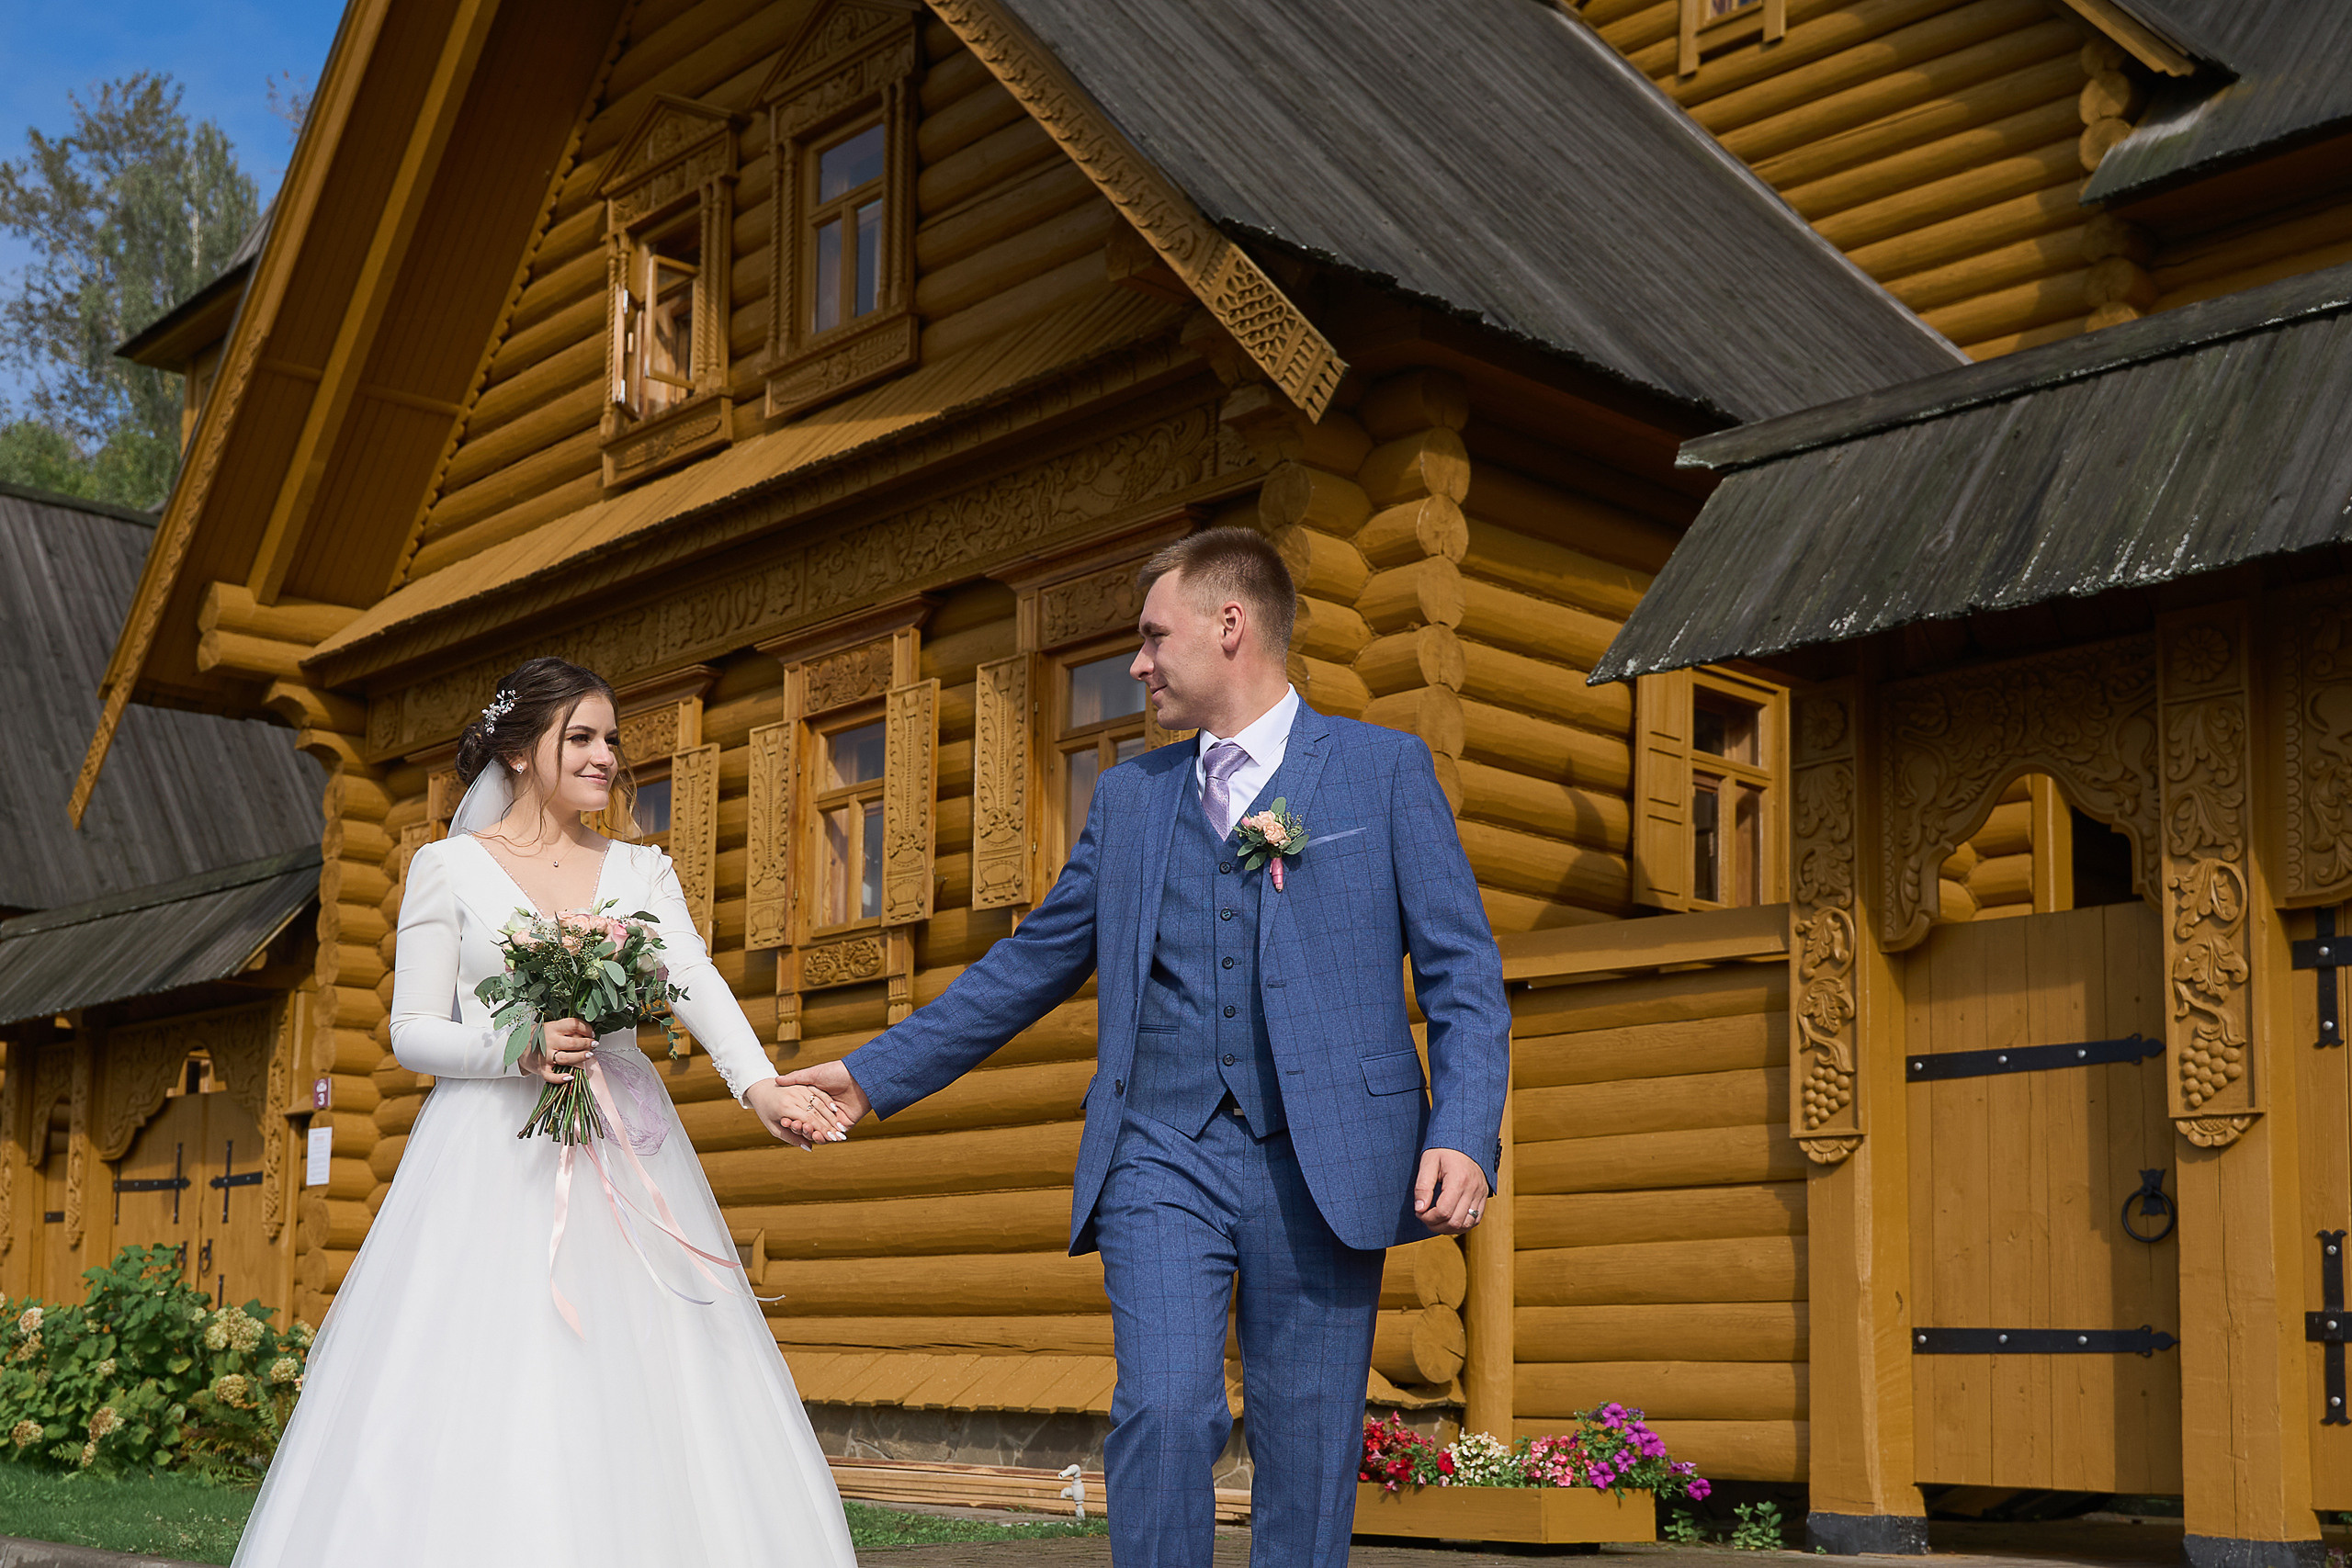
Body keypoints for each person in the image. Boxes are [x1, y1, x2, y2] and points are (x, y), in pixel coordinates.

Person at [776, 527, 1510, 1568]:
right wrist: (868, 1077)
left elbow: (1463, 980)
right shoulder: (1128, 799)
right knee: (1164, 1410)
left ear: (1229, 625)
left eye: (1151, 636)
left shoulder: (1382, 772)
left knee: (1307, 1447)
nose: (1136, 664)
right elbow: (1028, 969)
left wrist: (1464, 1130)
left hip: (1330, 1158)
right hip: (1160, 1149)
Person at [232, 657, 857, 1568]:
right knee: (494, 1368)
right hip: (490, 1153)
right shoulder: (446, 869)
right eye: (582, 738)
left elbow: (695, 982)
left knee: (646, 1367)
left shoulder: (641, 869)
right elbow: (411, 1032)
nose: (605, 756)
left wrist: (759, 1083)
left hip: (622, 1145)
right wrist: (512, 1050)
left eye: (611, 739)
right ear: (522, 750)